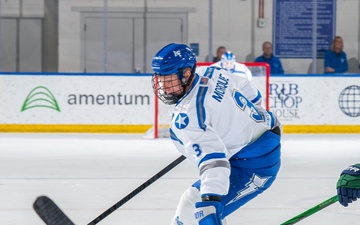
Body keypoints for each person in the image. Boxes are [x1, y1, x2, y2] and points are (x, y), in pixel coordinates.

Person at [151, 43, 281, 225]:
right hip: (265, 133)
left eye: (168, 79)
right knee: (193, 200)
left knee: (194, 211)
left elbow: (214, 162)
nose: (163, 87)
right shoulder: (211, 73)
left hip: (255, 164)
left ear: (186, 73)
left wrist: (209, 201)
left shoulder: (190, 116)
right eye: (160, 79)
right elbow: (248, 90)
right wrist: (247, 120)